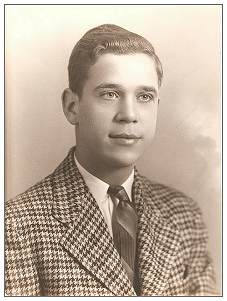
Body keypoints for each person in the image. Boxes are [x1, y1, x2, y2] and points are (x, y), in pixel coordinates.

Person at [5, 24, 216, 296]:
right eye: (110, 94)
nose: (129, 114)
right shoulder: (16, 226)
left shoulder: (183, 215)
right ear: (72, 106)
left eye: (144, 96)